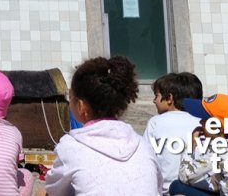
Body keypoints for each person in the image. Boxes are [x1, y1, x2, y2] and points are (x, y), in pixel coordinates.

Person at [45, 56, 162, 195]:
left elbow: (53, 190)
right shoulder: (143, 146)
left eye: (70, 96)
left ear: (81, 106)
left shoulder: (70, 147)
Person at [170, 94, 228, 195]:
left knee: (177, 186)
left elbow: (184, 175)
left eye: (205, 119)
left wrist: (192, 144)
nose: (200, 122)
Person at [144, 73, 202, 194]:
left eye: (156, 95)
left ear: (169, 98)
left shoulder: (156, 122)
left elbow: (146, 160)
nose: (154, 100)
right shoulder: (204, 124)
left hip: (166, 191)